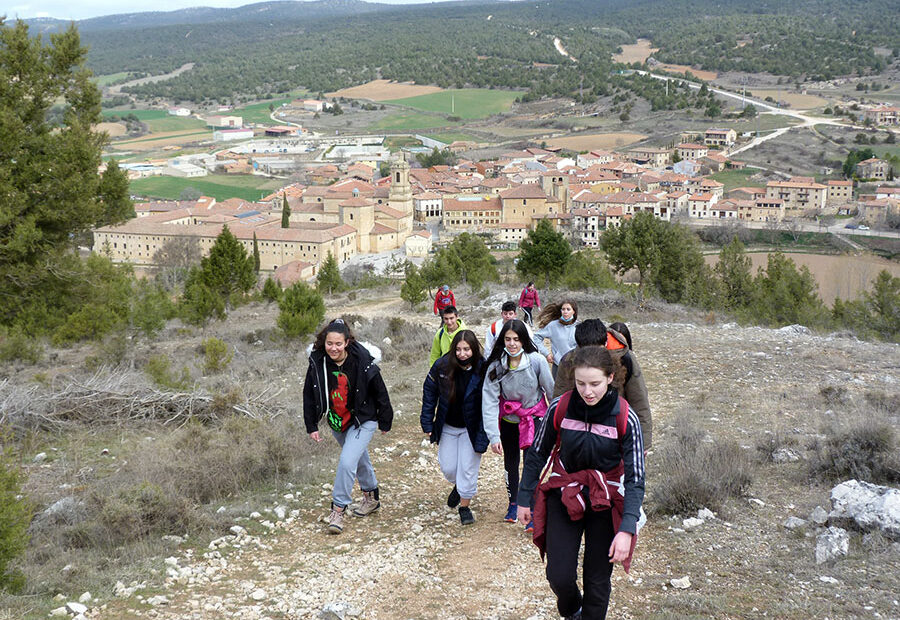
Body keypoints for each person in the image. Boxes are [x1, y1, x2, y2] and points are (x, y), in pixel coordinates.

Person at [518, 345, 645, 620]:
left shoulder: (625, 417)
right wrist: (524, 497)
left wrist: (627, 528)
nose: (587, 391)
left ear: (611, 378)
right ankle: (572, 609)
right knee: (559, 575)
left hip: (606, 502)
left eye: (595, 384)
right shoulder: (560, 407)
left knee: (597, 583)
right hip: (565, 494)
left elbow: (636, 479)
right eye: (580, 383)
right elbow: (537, 453)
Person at [304, 319, 393, 535]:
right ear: (323, 343)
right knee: (358, 457)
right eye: (329, 344)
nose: (333, 348)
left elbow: (380, 390)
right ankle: (371, 498)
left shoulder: (362, 360)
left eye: (338, 344)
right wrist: (311, 424)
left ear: (347, 342)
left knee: (346, 461)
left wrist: (385, 419)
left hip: (364, 419)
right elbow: (308, 393)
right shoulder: (318, 362)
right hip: (337, 421)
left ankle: (338, 510)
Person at [482, 319, 554, 528]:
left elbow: (551, 392)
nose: (512, 343)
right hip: (509, 420)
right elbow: (489, 401)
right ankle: (514, 503)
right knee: (511, 462)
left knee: (532, 462)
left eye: (516, 339)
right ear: (501, 341)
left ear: (524, 340)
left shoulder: (537, 361)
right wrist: (493, 435)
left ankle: (531, 506)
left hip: (534, 418)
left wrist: (555, 425)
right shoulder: (496, 367)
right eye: (508, 339)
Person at [420, 330, 488, 525]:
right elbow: (429, 391)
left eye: (467, 349)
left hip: (471, 428)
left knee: (467, 468)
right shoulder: (442, 365)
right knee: (449, 467)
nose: (462, 353)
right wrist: (427, 421)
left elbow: (490, 402)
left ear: (474, 349)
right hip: (448, 424)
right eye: (458, 349)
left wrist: (487, 433)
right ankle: (459, 486)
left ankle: (465, 507)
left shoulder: (483, 369)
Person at [552, 319, 652, 450]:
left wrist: (642, 445)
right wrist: (556, 439)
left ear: (605, 343)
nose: (592, 357)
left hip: (615, 433)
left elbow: (639, 402)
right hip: (579, 433)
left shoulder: (625, 359)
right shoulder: (568, 361)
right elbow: (559, 402)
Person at [485, 300, 549, 357]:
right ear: (501, 314)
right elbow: (488, 348)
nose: (508, 316)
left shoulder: (523, 326)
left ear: (515, 314)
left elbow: (532, 343)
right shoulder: (493, 328)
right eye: (505, 314)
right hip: (500, 358)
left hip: (521, 358)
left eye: (510, 314)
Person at [535, 300, 579, 380]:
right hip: (558, 365)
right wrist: (546, 353)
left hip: (575, 366)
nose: (565, 312)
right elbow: (536, 337)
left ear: (574, 312)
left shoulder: (579, 327)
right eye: (563, 309)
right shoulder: (553, 325)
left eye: (568, 309)